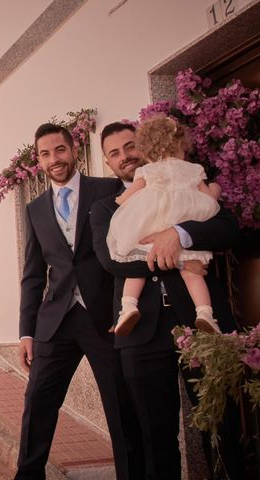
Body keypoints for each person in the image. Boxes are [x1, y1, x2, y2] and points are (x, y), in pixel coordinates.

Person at [91, 121, 243, 480]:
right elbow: (111, 260)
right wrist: (181, 258)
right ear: (107, 162)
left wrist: (179, 233)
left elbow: (227, 229)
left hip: (202, 326)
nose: (124, 156)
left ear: (143, 146)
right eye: (114, 153)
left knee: (221, 425)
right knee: (154, 437)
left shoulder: (186, 183)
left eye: (129, 146)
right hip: (140, 331)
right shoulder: (107, 208)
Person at [15, 123, 135, 480]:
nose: (54, 159)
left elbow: (125, 250)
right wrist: (26, 332)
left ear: (74, 150)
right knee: (37, 402)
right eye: (45, 154)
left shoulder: (108, 189)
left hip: (104, 319)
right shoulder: (35, 208)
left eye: (60, 150)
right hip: (56, 321)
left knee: (119, 407)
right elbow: (33, 274)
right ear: (38, 160)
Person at [107, 116, 221, 335]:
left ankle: (128, 307)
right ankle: (205, 313)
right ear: (179, 144)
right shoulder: (193, 170)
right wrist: (216, 189)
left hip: (151, 228)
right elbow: (210, 201)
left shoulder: (147, 172)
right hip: (184, 229)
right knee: (194, 274)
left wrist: (124, 203)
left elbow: (125, 198)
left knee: (136, 265)